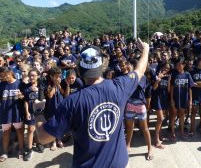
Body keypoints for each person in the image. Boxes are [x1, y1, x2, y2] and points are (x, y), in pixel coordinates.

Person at [35, 39, 149, 167]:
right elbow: (140, 70)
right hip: (119, 164)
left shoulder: (72, 102)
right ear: (101, 66)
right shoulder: (120, 86)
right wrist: (145, 50)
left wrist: (38, 112)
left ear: (79, 68)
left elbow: (44, 138)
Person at [0, 67, 25, 162]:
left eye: (5, 75)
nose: (3, 77)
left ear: (10, 73)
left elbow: (25, 98)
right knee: (6, 133)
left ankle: (21, 150)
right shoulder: (1, 85)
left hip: (17, 112)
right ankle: (5, 152)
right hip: (5, 113)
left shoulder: (19, 83)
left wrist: (21, 96)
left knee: (20, 132)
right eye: (1, 76)